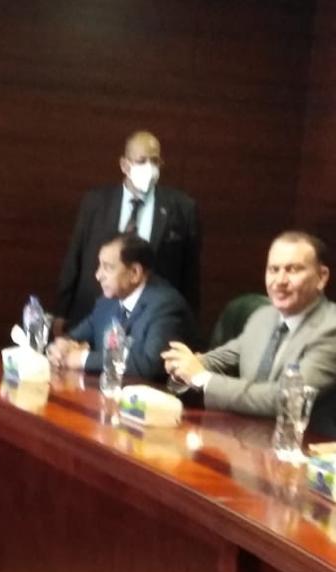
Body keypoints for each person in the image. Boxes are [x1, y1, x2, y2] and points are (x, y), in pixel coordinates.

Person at [163, 231, 336, 416]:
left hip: (306, 434)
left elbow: (285, 400)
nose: (280, 281)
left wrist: (201, 378)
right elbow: (219, 360)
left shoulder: (331, 328)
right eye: (274, 270)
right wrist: (182, 365)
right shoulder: (263, 317)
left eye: (292, 269)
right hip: (245, 431)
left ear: (322, 277)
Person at [54, 130, 201, 330]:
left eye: (155, 161)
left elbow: (190, 278)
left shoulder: (182, 208)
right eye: (141, 161)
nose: (150, 167)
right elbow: (74, 259)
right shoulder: (96, 203)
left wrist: (189, 326)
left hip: (151, 322)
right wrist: (61, 312)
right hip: (93, 313)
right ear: (124, 165)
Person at [48, 234, 199, 379]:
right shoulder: (107, 301)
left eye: (108, 267)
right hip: (107, 390)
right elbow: (76, 335)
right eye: (99, 266)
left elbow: (150, 365)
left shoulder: (166, 305)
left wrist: (83, 359)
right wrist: (62, 346)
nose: (98, 275)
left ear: (134, 273)